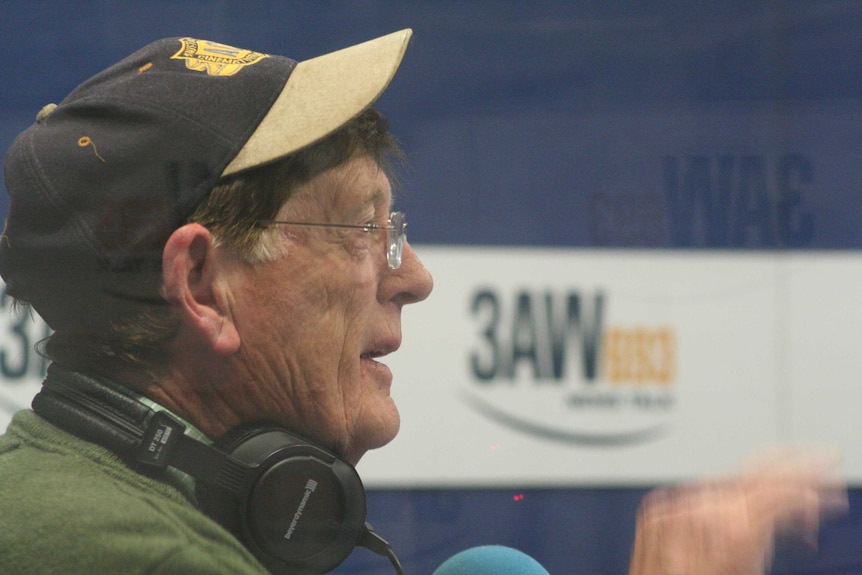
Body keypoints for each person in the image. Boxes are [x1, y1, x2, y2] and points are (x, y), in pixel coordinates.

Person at [0, 30, 846, 575]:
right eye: (364, 228)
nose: (413, 277)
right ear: (201, 285)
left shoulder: (88, 497)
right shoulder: (128, 553)